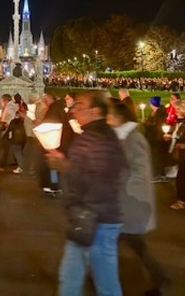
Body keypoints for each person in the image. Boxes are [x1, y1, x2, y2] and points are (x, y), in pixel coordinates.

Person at [46, 91, 128, 296]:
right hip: (86, 218)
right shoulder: (91, 135)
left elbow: (100, 181)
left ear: (96, 111)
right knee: (70, 277)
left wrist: (65, 166)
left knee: (105, 284)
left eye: (80, 105)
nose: (74, 109)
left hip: (98, 220)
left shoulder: (100, 138)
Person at [108, 101, 169, 296]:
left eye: (108, 115)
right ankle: (158, 279)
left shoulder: (133, 139)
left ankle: (157, 280)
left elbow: (140, 172)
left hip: (129, 205)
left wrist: (118, 187)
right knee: (129, 245)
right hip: (124, 205)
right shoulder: (121, 138)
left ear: (118, 117)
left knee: (129, 244)